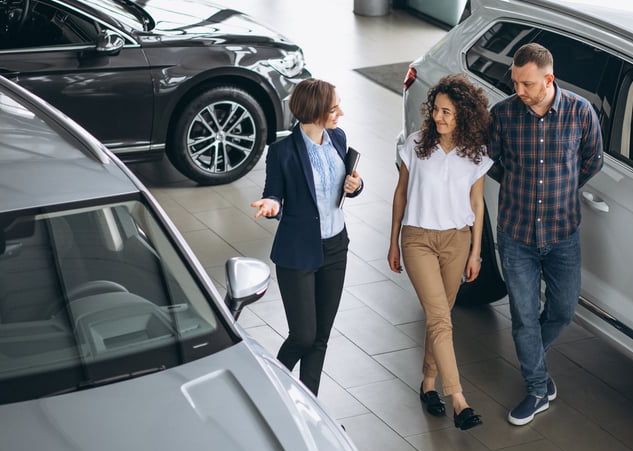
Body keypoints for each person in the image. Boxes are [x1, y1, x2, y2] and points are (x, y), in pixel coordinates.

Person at [488, 42, 603, 425]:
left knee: (563, 309)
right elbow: (494, 163)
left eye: (527, 83)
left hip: (562, 232)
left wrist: (564, 189)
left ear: (548, 78)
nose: (518, 90)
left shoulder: (580, 113)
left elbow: (593, 159)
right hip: (516, 233)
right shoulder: (502, 115)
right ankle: (537, 389)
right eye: (515, 81)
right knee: (523, 317)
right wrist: (523, 186)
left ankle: (533, 358)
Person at [388, 74, 491, 430]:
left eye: (447, 112)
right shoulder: (417, 145)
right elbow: (401, 194)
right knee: (440, 318)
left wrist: (476, 252)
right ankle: (458, 399)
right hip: (417, 239)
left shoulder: (475, 154)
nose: (439, 117)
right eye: (436, 110)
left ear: (464, 115)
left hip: (456, 242)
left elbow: (477, 205)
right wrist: (393, 242)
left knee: (440, 317)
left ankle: (428, 383)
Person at [251, 78, 363, 396]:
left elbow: (348, 184)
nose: (340, 112)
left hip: (335, 247)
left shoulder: (338, 138)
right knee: (302, 336)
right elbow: (273, 194)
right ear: (314, 111)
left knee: (320, 337)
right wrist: (272, 205)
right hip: (298, 253)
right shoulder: (282, 152)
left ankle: (309, 405)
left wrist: (357, 186)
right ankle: (271, 392)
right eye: (333, 107)